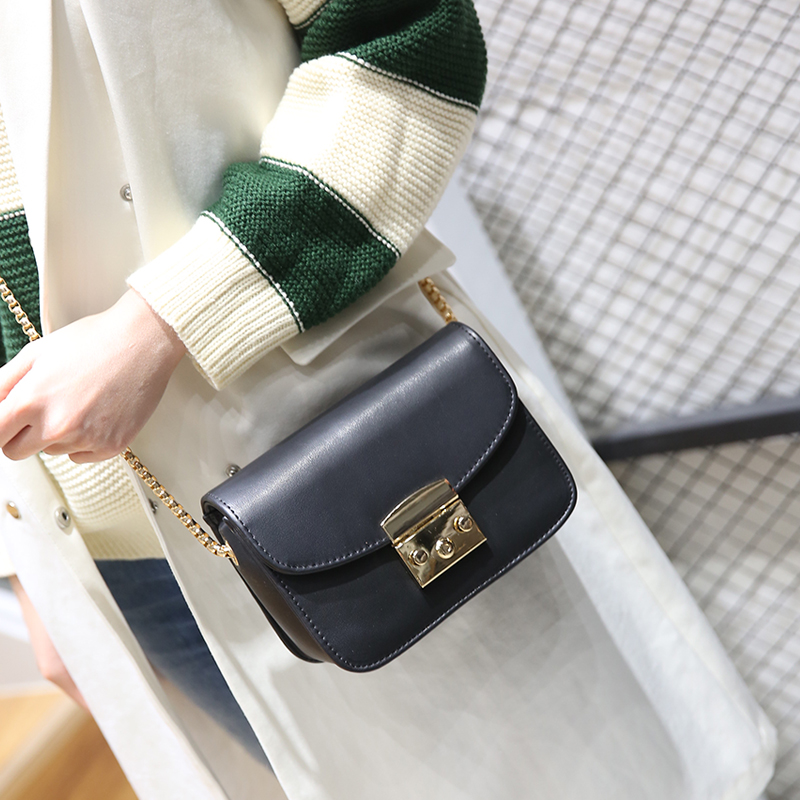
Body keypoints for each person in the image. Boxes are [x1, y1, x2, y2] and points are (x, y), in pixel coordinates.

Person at [0, 1, 776, 798]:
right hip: (116, 564)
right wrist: (22, 564)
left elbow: (410, 39)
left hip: (344, 453)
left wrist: (162, 325)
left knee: (594, 775)